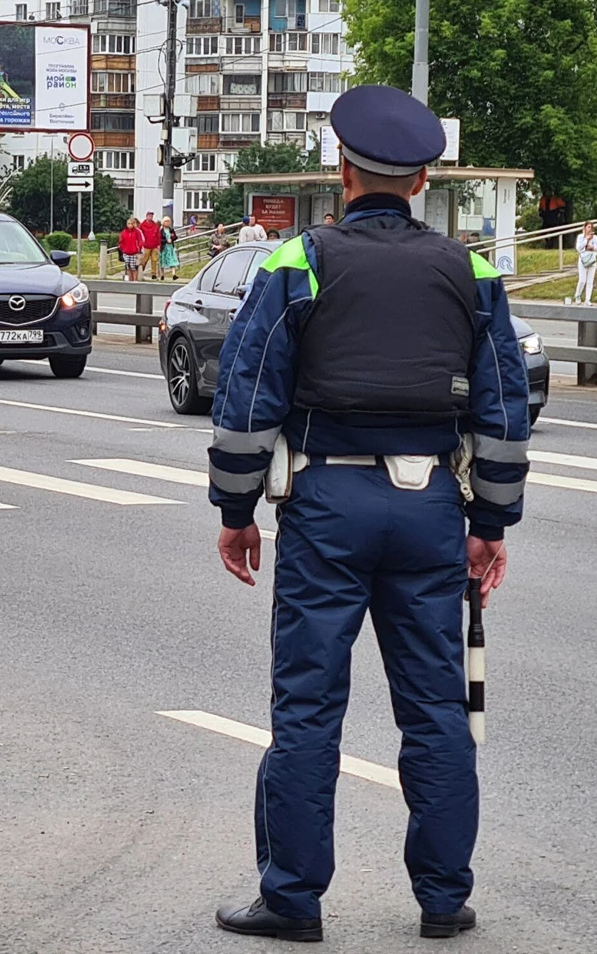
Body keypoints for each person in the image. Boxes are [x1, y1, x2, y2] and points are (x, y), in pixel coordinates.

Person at [208, 83, 529, 944]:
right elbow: (504, 408)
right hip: (431, 511)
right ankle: (442, 899)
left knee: (308, 706)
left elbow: (247, 396)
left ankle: (293, 899)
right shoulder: (473, 271)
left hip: (327, 504)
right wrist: (490, 527)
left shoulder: (297, 264)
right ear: (423, 180)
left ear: (342, 172)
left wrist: (238, 510)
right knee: (433, 705)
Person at [573, 221, 597, 305]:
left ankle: (587, 299)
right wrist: (586, 240)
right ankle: (578, 295)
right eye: (588, 227)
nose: (590, 229)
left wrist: (592, 247)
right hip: (583, 260)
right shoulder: (580, 237)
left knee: (590, 281)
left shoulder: (595, 237)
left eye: (591, 227)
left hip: (592, 259)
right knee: (582, 280)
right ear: (584, 228)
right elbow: (578, 248)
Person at [117, 217, 144, 281]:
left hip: (134, 253)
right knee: (128, 267)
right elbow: (121, 241)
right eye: (128, 224)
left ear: (133, 224)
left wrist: (138, 248)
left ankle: (135, 280)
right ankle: (130, 280)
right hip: (126, 252)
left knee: (134, 268)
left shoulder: (137, 232)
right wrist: (123, 248)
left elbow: (140, 240)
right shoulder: (124, 232)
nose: (130, 225)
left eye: (131, 224)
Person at [140, 211, 164, 279]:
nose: (150, 217)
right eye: (149, 215)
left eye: (151, 216)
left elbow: (158, 235)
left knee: (154, 259)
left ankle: (153, 273)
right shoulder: (142, 225)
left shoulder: (155, 225)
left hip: (154, 245)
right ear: (146, 216)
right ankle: (141, 271)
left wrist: (159, 244)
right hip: (146, 245)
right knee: (145, 259)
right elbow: (140, 235)